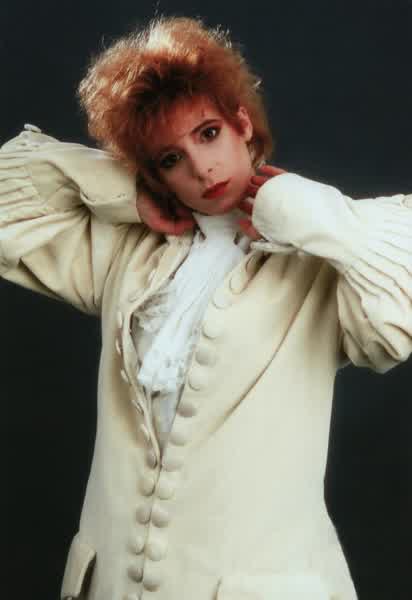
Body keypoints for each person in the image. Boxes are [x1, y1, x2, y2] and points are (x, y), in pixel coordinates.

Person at [1, 14, 411, 600]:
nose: (200, 167)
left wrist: (297, 208)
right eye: (170, 159)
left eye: (208, 133)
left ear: (242, 122)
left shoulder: (322, 256)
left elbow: (396, 320)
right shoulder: (133, 254)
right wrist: (129, 193)